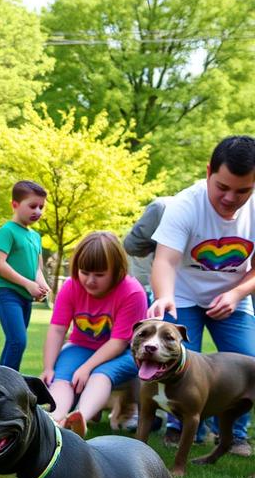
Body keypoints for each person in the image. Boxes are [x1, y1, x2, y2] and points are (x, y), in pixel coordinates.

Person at [147, 135, 255, 456]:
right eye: (222, 187)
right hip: (182, 295)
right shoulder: (184, 204)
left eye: (243, 191)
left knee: (248, 361)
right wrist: (164, 295)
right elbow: (165, 260)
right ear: (208, 171)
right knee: (178, 362)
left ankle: (235, 434)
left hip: (233, 295)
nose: (230, 198)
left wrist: (236, 294)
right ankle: (179, 426)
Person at [40, 231, 147, 438]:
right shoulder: (71, 286)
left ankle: (80, 418)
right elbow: (58, 328)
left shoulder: (132, 292)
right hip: (81, 347)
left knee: (100, 375)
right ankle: (55, 421)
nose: (90, 281)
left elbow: (118, 342)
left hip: (124, 352)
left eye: (99, 275)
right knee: (61, 379)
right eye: (84, 272)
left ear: (116, 270)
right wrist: (48, 367)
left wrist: (86, 368)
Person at [0, 180, 51, 370]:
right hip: (6, 292)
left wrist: (41, 285)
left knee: (15, 342)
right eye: (32, 206)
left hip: (25, 296)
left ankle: (2, 383)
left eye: (41, 207)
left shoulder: (35, 236)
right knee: (18, 340)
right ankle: (5, 385)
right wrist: (27, 284)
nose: (38, 211)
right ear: (15, 205)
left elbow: (37, 269)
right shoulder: (7, 231)